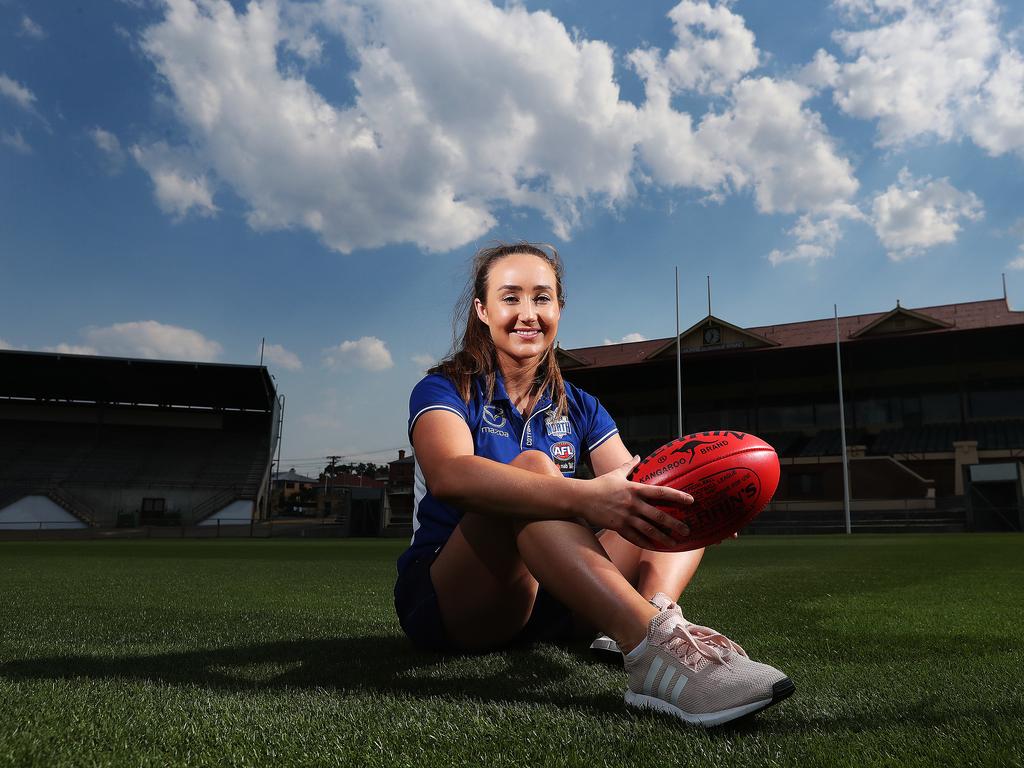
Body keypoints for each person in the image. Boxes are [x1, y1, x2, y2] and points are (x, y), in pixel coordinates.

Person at [393, 242, 793, 727]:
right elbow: (449, 476)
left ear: (559, 308)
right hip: (456, 598)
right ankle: (650, 649)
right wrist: (587, 495)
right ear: (482, 310)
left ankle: (655, 612)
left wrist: (703, 506)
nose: (527, 313)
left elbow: (634, 487)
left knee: (671, 491)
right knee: (534, 469)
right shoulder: (444, 388)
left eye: (542, 298)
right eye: (510, 297)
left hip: (552, 598)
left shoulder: (579, 404)